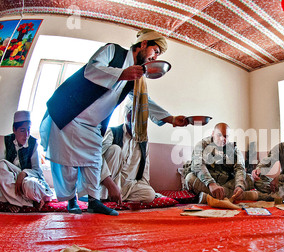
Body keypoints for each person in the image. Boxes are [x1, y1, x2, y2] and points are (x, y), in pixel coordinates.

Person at [40, 28, 187, 215]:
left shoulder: (136, 79)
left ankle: (94, 202)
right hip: (69, 113)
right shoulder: (113, 52)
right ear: (143, 44)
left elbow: (144, 102)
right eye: (155, 51)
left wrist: (171, 118)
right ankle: (70, 201)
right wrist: (121, 73)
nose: (155, 57)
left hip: (93, 124)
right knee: (66, 163)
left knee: (94, 160)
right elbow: (91, 69)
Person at [185, 122, 256, 202]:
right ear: (213, 134)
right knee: (189, 178)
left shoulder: (233, 149)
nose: (222, 139)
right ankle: (242, 196)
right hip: (208, 184)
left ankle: (208, 197)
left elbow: (240, 168)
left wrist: (239, 186)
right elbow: (198, 165)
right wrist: (211, 184)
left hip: (227, 183)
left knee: (250, 178)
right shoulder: (202, 145)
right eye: (219, 135)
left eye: (226, 136)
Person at [100, 105, 155, 204]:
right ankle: (106, 195)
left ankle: (117, 197)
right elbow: (98, 158)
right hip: (109, 182)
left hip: (129, 185)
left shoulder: (144, 140)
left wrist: (145, 187)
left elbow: (145, 171)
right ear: (128, 117)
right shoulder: (113, 132)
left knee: (150, 194)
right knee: (115, 149)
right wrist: (110, 185)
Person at [0, 111, 53, 212]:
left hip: (28, 179)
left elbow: (37, 171)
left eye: (28, 130)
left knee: (29, 185)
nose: (26, 135)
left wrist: (24, 173)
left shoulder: (33, 143)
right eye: (22, 130)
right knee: (1, 165)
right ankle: (30, 203)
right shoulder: (6, 141)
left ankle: (14, 201)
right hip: (12, 180)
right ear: (14, 129)